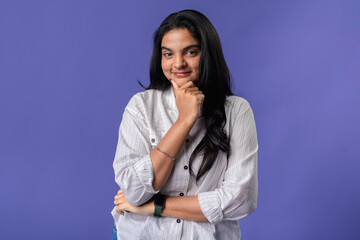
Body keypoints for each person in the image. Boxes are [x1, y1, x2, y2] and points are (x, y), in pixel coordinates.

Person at [111, 9, 258, 240]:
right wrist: (184, 120)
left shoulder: (237, 111)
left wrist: (156, 206)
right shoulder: (141, 107)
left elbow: (240, 201)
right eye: (168, 54)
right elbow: (134, 192)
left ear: (208, 54)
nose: (178, 64)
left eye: (191, 52)